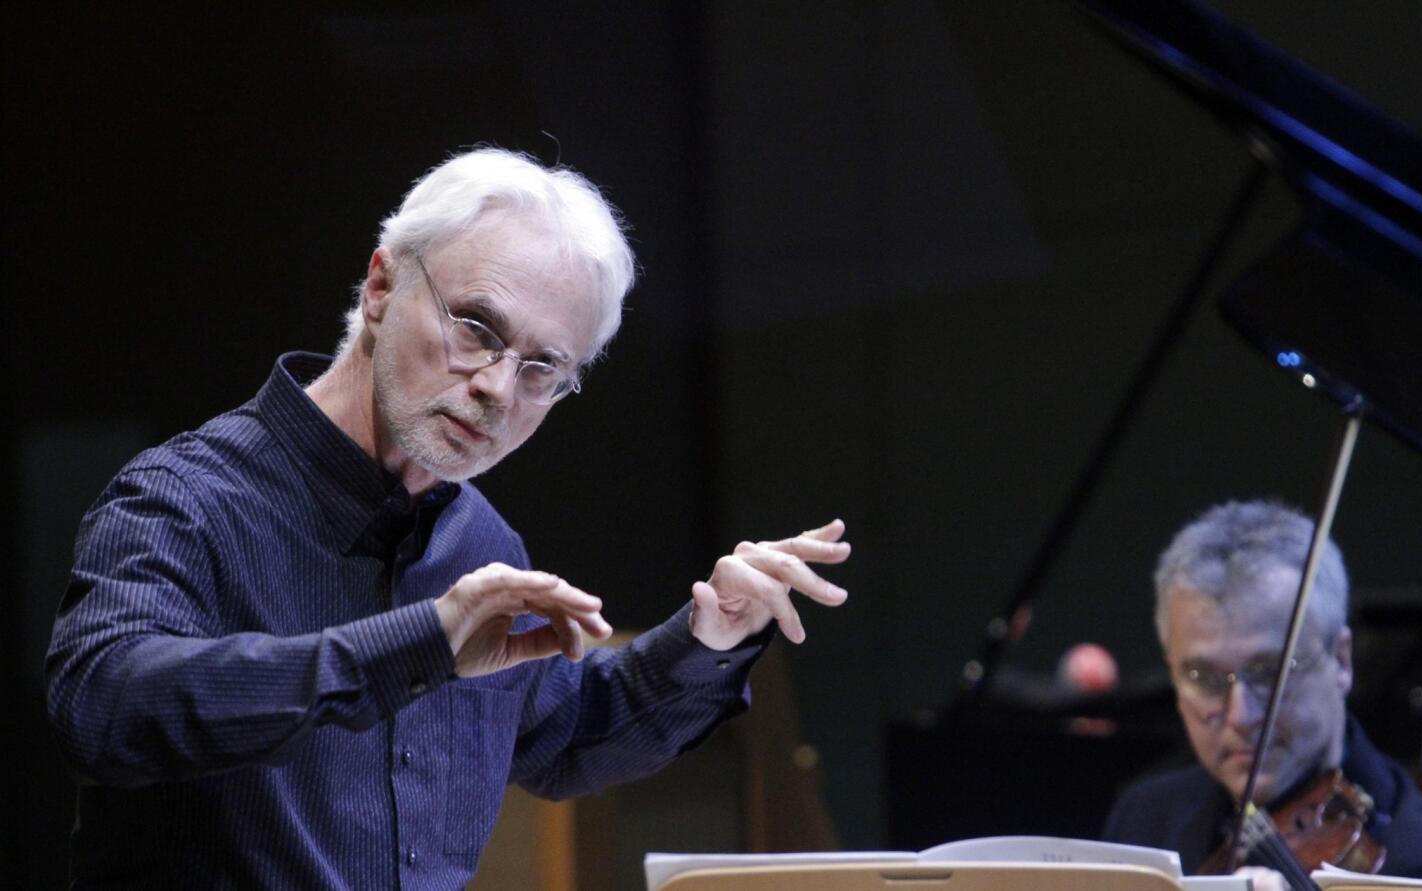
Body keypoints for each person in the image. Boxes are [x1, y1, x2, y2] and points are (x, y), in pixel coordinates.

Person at [45, 147, 852, 889]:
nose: (499, 389)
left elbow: (564, 732)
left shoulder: (480, 541)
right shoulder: (186, 497)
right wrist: (420, 643)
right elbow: (103, 707)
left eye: (542, 368)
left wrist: (708, 636)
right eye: (477, 329)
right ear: (380, 286)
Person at [1103, 500, 1422, 886]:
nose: (1241, 717)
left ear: (1342, 661)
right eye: (1204, 676)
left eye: (1270, 673)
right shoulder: (1145, 820)